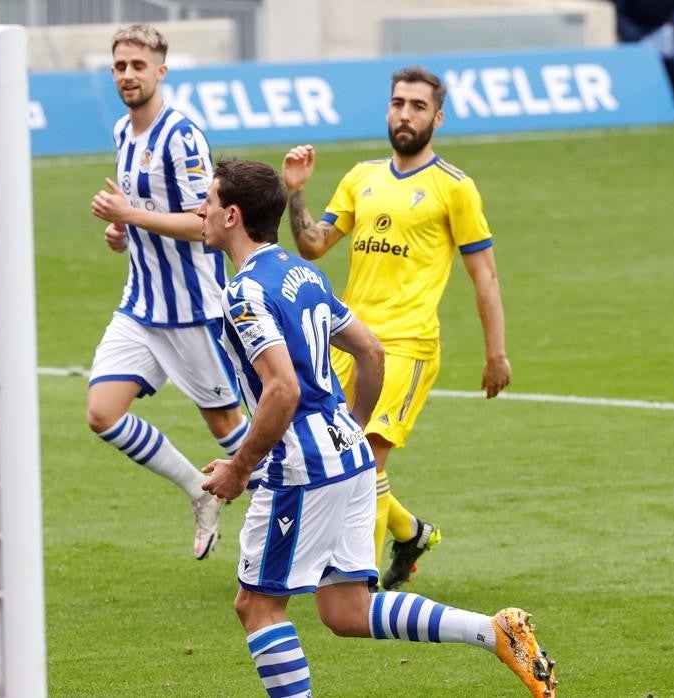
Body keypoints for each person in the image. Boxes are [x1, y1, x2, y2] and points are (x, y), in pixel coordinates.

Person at [197, 157, 557, 698]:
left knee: (258, 607)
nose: (199, 210)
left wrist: (238, 468)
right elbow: (369, 349)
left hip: (302, 468)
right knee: (346, 610)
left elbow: (282, 389)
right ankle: (493, 631)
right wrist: (352, 425)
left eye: (208, 200)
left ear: (231, 216)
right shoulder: (300, 271)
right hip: (349, 454)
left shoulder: (244, 293)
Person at [281, 65, 510, 590]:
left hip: (407, 344)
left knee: (366, 455)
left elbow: (486, 276)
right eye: (398, 103)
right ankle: (409, 533)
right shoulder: (361, 177)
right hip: (348, 339)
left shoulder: (455, 188)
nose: (405, 115)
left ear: (438, 118)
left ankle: (351, 583)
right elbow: (313, 245)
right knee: (334, 449)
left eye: (418, 106)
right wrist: (296, 192)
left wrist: (495, 354)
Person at [85, 24, 250, 560]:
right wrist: (123, 234)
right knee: (102, 413)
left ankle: (300, 515)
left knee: (230, 432)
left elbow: (205, 220)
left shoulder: (182, 136)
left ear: (161, 70)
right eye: (120, 66)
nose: (128, 75)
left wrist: (130, 215)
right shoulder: (121, 133)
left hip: (193, 309)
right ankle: (198, 492)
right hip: (141, 305)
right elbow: (147, 219)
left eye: (138, 65)